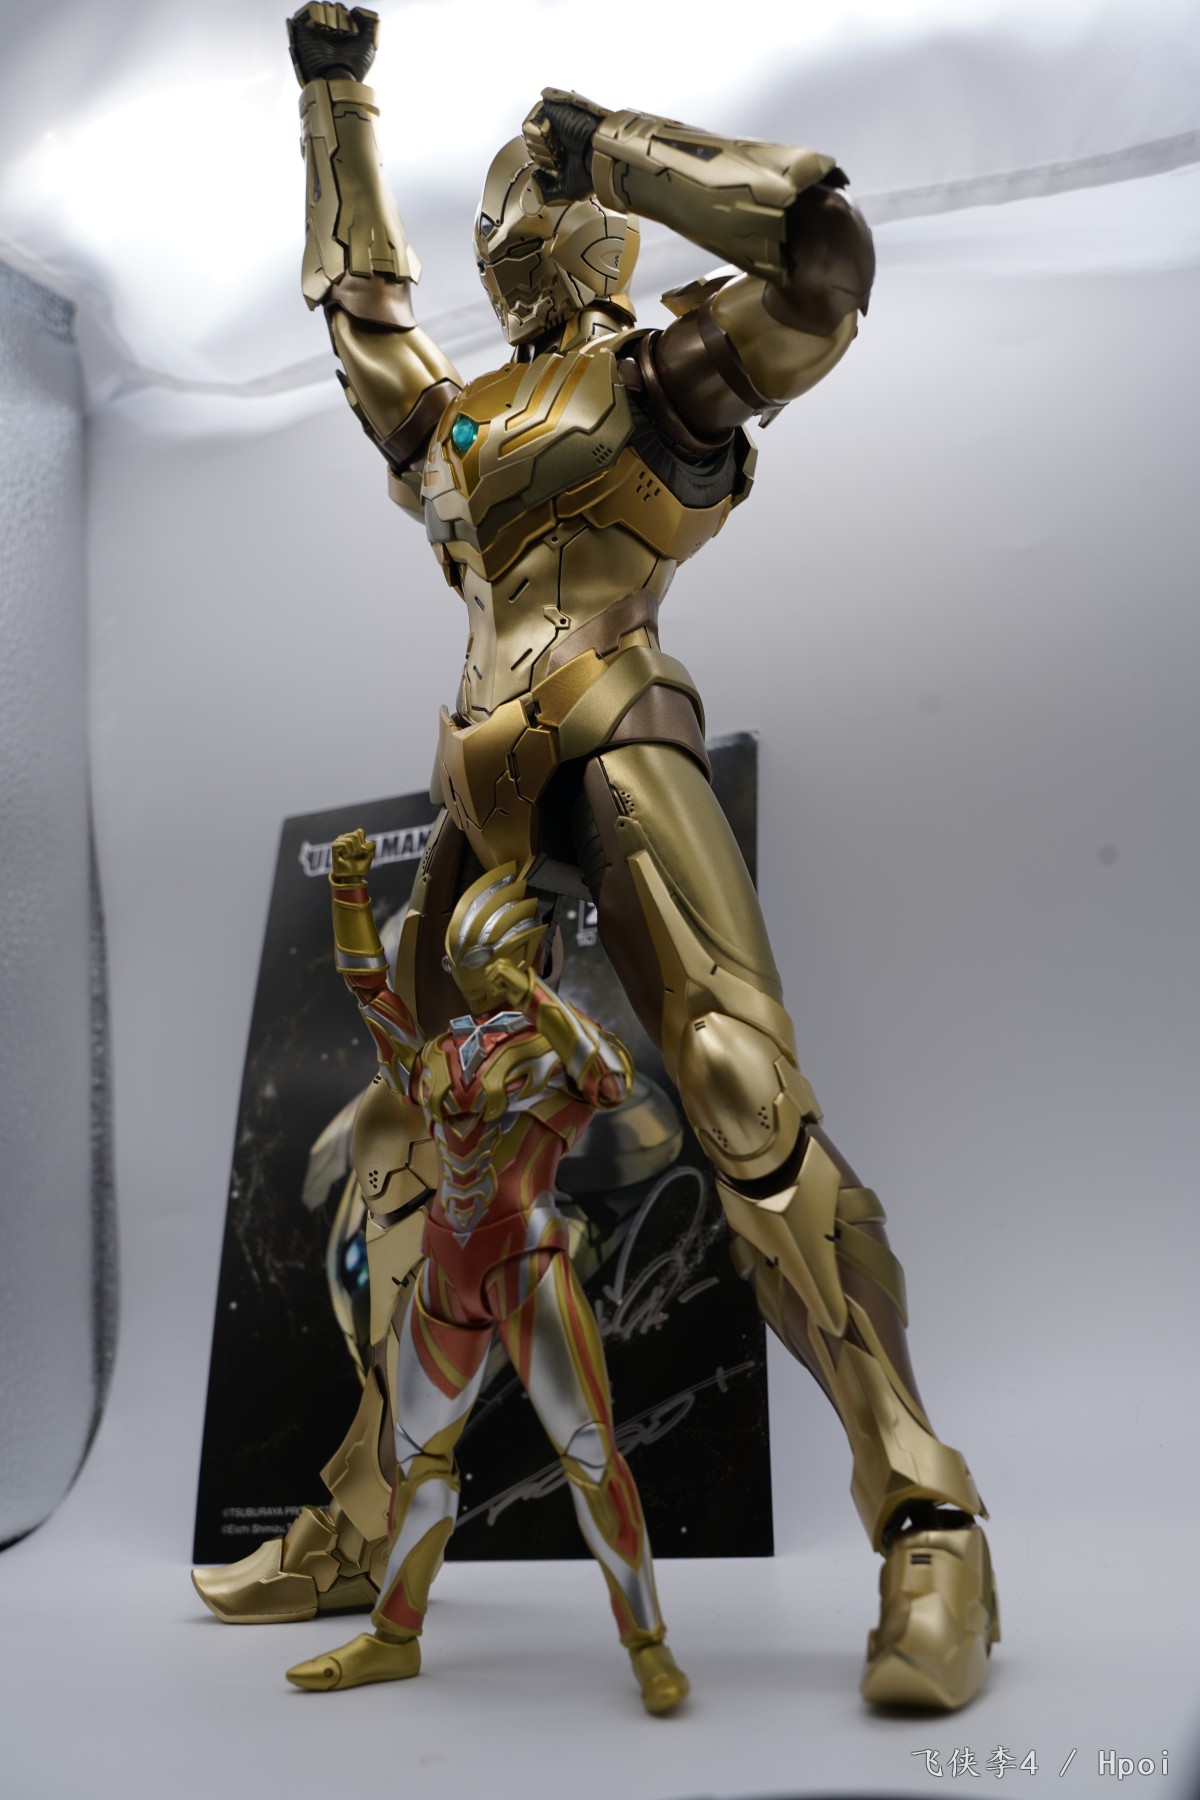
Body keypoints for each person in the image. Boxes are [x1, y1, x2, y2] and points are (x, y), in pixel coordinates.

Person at [195, 3, 998, 1712]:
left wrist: (615, 142)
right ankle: (361, 1520)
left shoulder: (656, 376)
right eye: (504, 204)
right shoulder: (460, 421)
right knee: (409, 1129)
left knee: (740, 1089)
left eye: (532, 201)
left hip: (616, 716)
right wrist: (336, 95)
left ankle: (929, 1521)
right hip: (477, 771)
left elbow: (825, 265)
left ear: (589, 232)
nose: (511, 226)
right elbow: (361, 316)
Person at [284, 832, 688, 1714]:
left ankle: (648, 1645)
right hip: (443, 1276)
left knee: (590, 1455)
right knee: (419, 1463)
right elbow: (369, 991)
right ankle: (395, 1637)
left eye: (490, 962)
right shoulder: (437, 1055)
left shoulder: (551, 1052)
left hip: (526, 1266)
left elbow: (612, 1078)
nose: (471, 979)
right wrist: (347, 893)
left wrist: (533, 994)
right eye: (468, 967)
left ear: (527, 953)